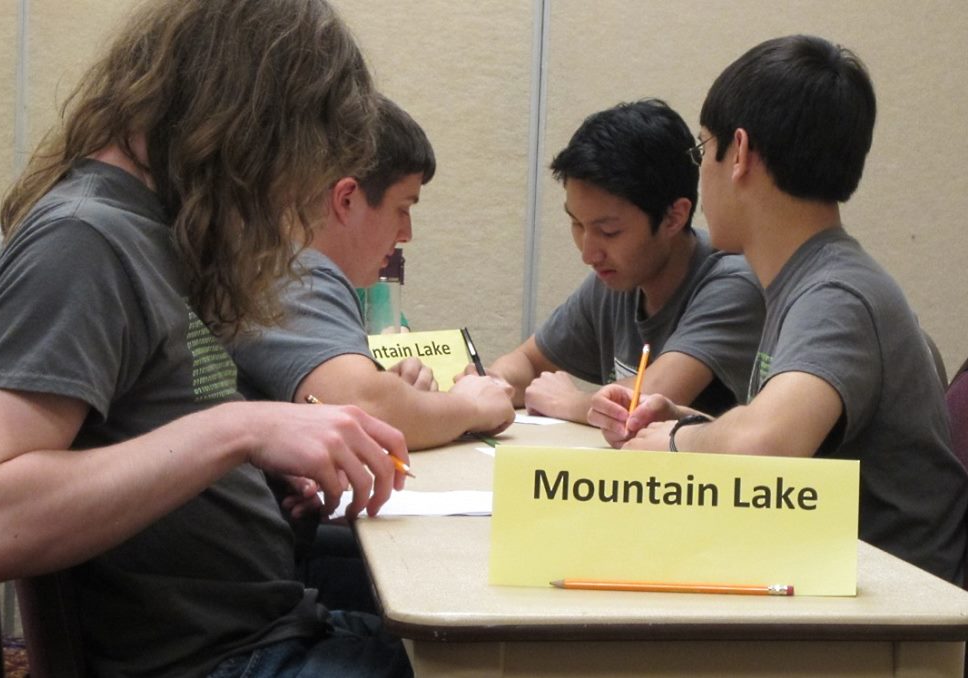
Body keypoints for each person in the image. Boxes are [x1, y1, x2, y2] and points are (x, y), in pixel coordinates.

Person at [0, 1, 417, 676]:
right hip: (225, 661)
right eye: (296, 158)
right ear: (249, 125)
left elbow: (151, 439)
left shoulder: (152, 234)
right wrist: (238, 432)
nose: (294, 194)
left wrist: (262, 474)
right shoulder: (84, 238)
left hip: (268, 629)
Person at [588, 35, 968, 584]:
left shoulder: (836, 295)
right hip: (831, 583)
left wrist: (675, 442)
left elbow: (765, 445)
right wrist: (690, 423)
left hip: (889, 623)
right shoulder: (809, 279)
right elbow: (787, 448)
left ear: (738, 153)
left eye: (702, 150)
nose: (702, 172)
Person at [231, 95, 515, 451]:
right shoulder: (293, 271)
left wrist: (401, 395)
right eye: (402, 208)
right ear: (346, 199)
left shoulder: (275, 261)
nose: (406, 233)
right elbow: (365, 409)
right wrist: (472, 405)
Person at [482, 100, 764, 423]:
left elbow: (648, 399)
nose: (589, 254)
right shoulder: (615, 279)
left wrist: (567, 402)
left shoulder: (732, 283)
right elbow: (528, 361)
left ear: (674, 217)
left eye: (609, 231)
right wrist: (492, 386)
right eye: (577, 224)